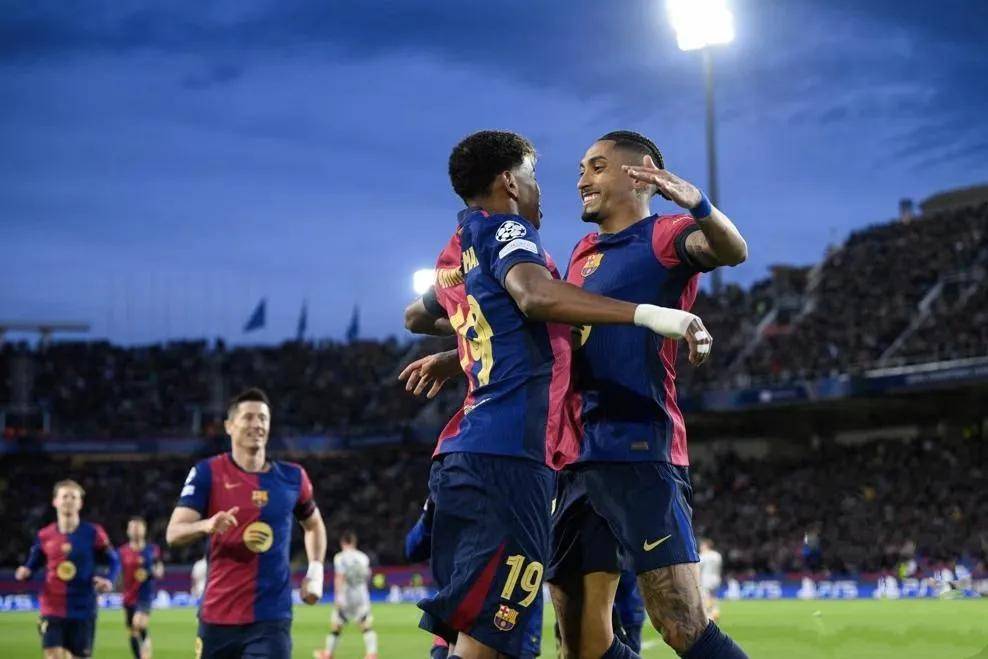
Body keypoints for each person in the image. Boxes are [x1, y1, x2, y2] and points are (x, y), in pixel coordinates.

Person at [404, 130, 748, 658]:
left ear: (641, 173)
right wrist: (460, 354)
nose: (581, 178)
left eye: (597, 166)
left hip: (638, 447)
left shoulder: (665, 234)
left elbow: (731, 250)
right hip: (572, 457)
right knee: (583, 643)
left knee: (681, 623)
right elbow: (555, 327)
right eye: (582, 168)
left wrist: (698, 203)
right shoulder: (582, 254)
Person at [165, 387, 327, 659]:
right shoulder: (207, 472)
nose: (257, 424)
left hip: (271, 619)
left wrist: (315, 573)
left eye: (263, 418)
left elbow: (314, 525)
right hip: (218, 616)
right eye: (248, 417)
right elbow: (173, 533)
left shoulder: (293, 477)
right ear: (229, 426)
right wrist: (205, 525)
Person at [15, 479, 120, 659]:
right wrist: (25, 572)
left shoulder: (93, 533)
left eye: (73, 497)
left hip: (84, 607)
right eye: (64, 496)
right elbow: (33, 564)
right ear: (55, 501)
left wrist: (109, 580)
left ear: (80, 503)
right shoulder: (45, 535)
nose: (69, 500)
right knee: (53, 654)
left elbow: (114, 561)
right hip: (52, 606)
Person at [315, 531, 378, 659]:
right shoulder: (363, 557)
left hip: (346, 595)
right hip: (361, 595)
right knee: (365, 624)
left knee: (336, 625)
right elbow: (367, 577)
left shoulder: (340, 557)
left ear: (342, 543)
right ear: (354, 542)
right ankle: (371, 654)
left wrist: (338, 597)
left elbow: (340, 577)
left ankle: (328, 654)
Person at [118, 516, 164, 659]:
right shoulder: (122, 551)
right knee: (133, 631)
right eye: (133, 527)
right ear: (128, 531)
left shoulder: (152, 550)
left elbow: (159, 568)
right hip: (128, 596)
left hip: (145, 595)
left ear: (144, 530)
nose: (136, 530)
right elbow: (119, 573)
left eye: (138, 527)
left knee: (138, 623)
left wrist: (156, 572)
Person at [698, 539, 723, 623]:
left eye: (702, 546)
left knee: (706, 597)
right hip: (716, 578)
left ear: (706, 546)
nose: (700, 547)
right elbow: (719, 567)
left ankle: (709, 617)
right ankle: (715, 612)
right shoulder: (717, 555)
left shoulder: (702, 556)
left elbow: (698, 568)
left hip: (706, 579)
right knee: (714, 597)